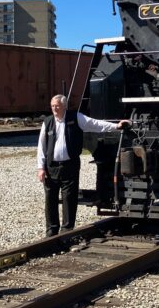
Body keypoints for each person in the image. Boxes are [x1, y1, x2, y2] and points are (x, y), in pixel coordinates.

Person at [36, 94, 130, 236]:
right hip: (51, 167)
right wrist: (41, 167)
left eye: (58, 106)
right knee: (50, 199)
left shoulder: (76, 118)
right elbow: (41, 147)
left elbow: (95, 124)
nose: (55, 109)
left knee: (69, 199)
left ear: (65, 106)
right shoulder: (47, 122)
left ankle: (66, 230)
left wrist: (116, 126)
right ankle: (51, 230)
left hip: (70, 166)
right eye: (53, 106)